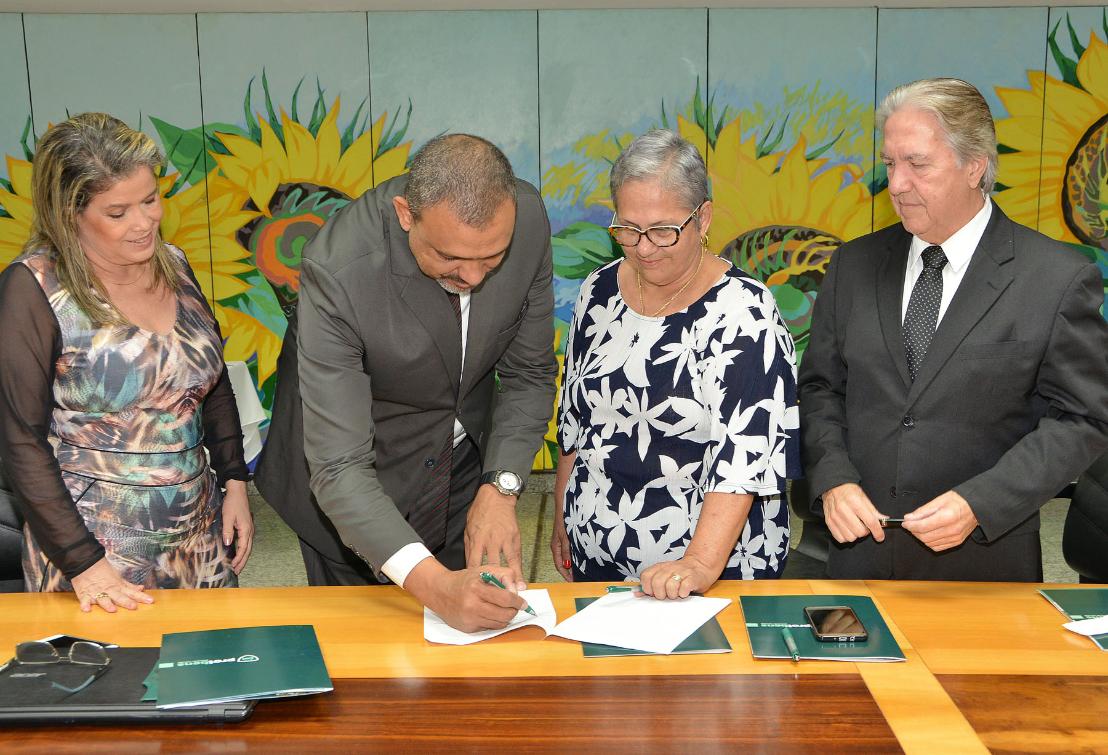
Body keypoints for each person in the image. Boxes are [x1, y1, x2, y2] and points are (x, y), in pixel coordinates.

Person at [799, 78, 1108, 581]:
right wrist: (833, 479)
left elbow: (1084, 418)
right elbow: (819, 390)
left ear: (974, 165)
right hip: (860, 559)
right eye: (890, 164)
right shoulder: (853, 266)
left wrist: (981, 503)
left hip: (985, 564)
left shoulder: (1055, 279)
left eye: (917, 164)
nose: (896, 184)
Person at [254, 134, 556, 632]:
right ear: (405, 214)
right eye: (451, 258)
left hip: (460, 465)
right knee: (366, 661)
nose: (474, 277)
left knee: (468, 652)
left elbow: (529, 373)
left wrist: (501, 489)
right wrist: (436, 588)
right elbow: (339, 467)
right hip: (358, 476)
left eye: (491, 259)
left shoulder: (526, 220)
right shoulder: (338, 269)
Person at [0, 113, 254, 612]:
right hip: (94, 546)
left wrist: (235, 481)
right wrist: (82, 562)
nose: (144, 222)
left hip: (196, 534)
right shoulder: (34, 290)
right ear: (68, 212)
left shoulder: (175, 265)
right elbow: (18, 441)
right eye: (117, 212)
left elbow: (211, 382)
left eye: (150, 199)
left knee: (214, 668)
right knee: (118, 681)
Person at [550, 129, 800, 599]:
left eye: (664, 230)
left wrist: (699, 565)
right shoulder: (598, 290)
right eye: (627, 229)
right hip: (599, 551)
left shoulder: (744, 313)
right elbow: (575, 419)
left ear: (702, 218)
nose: (644, 247)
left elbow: (744, 457)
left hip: (707, 568)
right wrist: (566, 512)